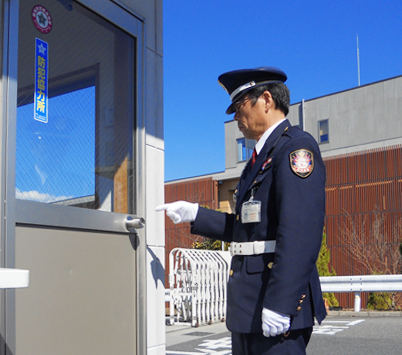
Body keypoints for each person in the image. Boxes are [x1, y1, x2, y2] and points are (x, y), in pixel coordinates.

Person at [156, 67, 326, 354]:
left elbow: (301, 231)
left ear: (267, 100)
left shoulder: (295, 148)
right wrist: (196, 214)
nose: (235, 116)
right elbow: (246, 230)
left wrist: (282, 303)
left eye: (239, 106)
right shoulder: (259, 158)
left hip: (274, 303)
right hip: (248, 305)